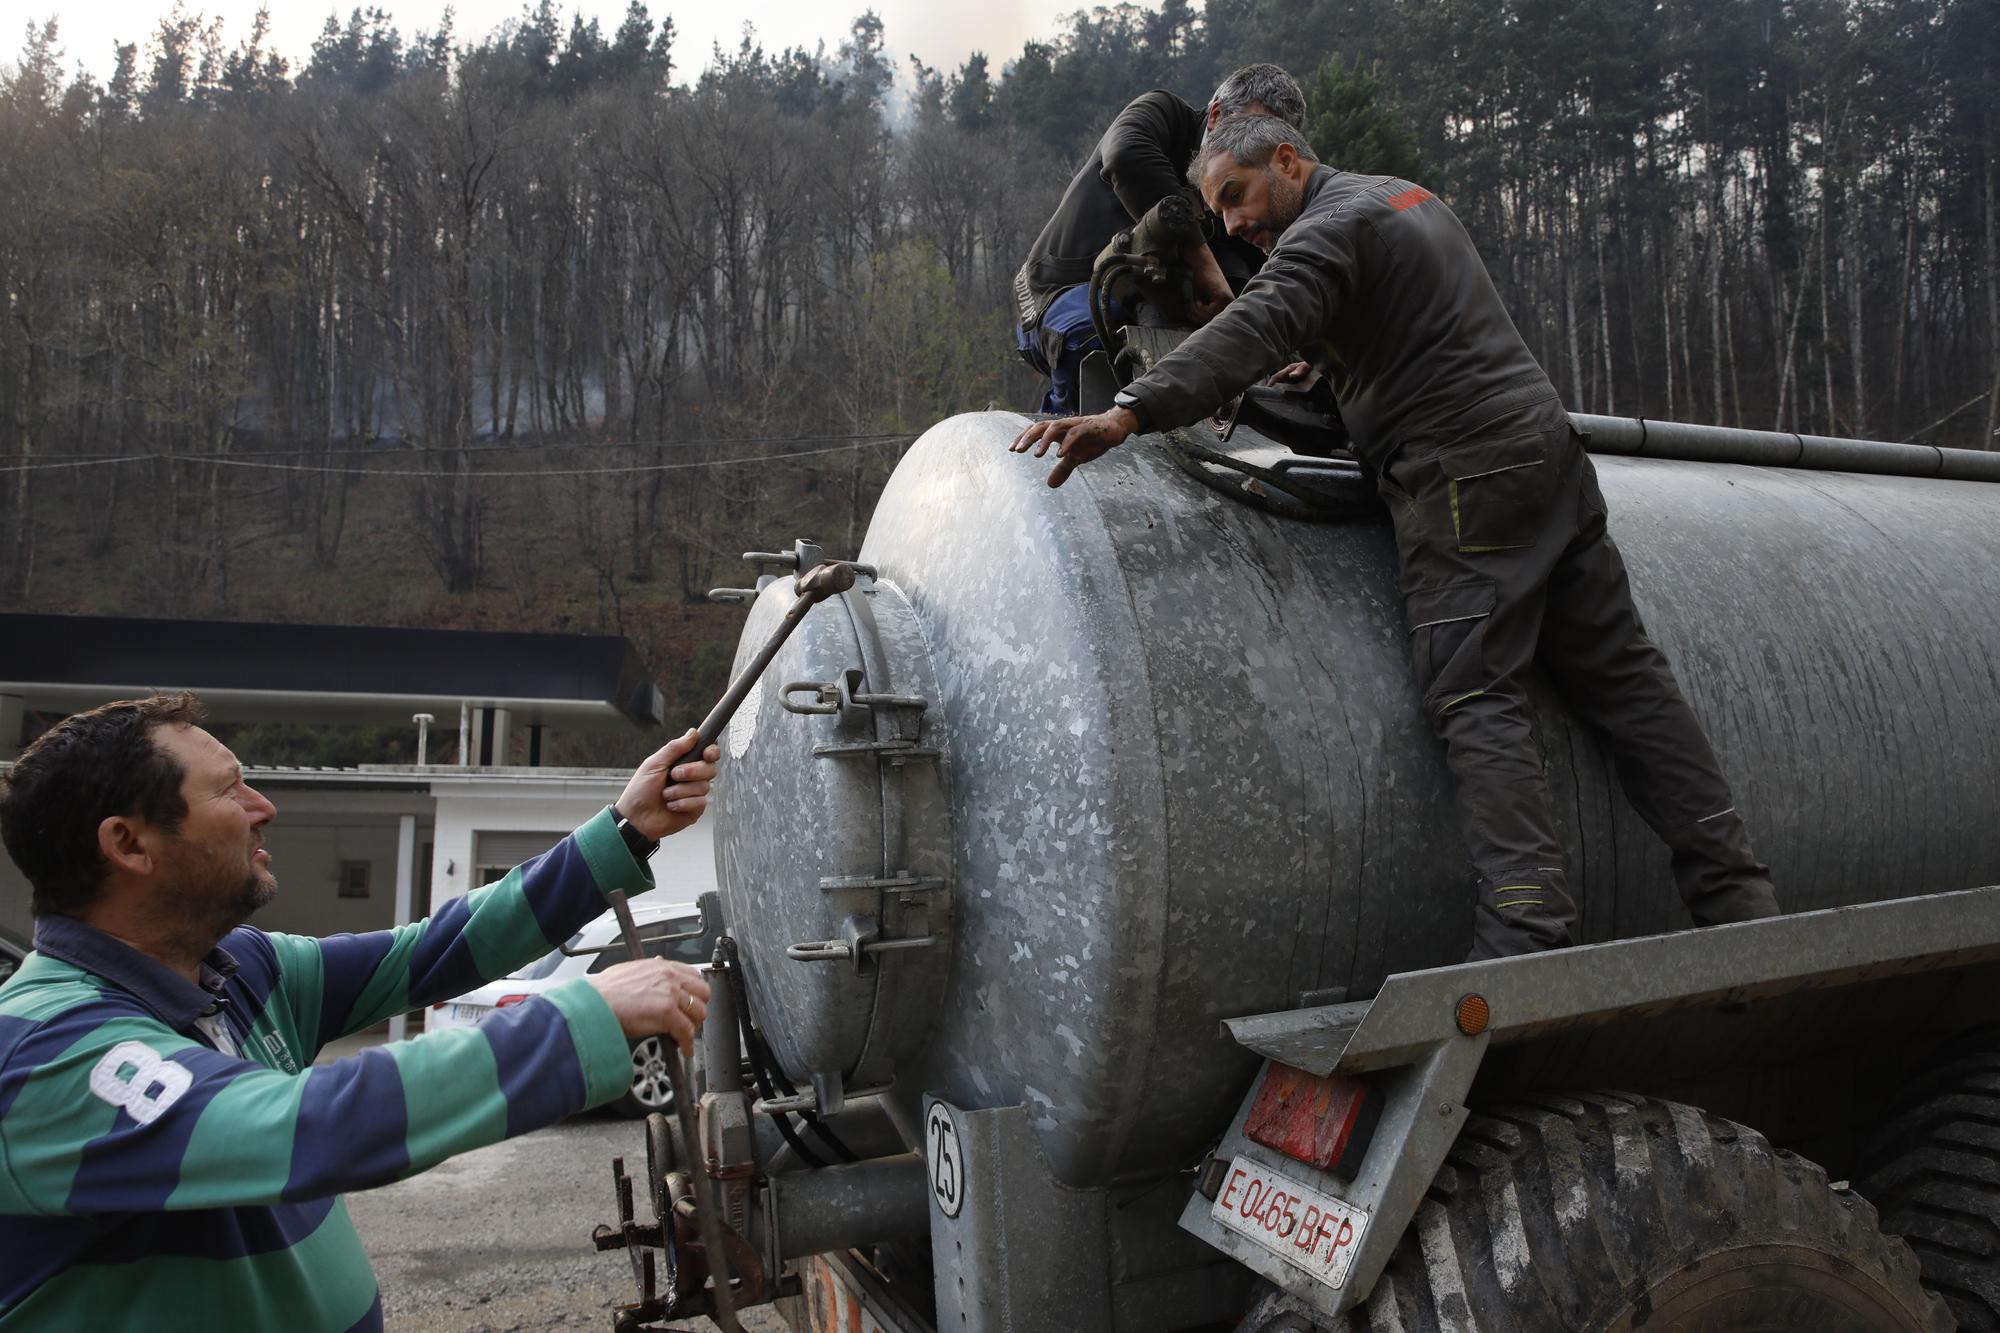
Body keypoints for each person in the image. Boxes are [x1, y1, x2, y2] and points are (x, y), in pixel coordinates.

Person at [1010, 115, 1781, 958]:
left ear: (1288, 159)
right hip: (1548, 456)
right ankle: (1737, 895)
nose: (1229, 224)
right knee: (1627, 682)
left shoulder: (1327, 231)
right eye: (1215, 211)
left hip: (1465, 483)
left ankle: (1526, 934)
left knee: (1475, 695)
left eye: (1235, 196)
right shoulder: (1406, 201)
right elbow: (1395, 341)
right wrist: (1324, 370)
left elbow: (1256, 324)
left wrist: (1130, 410)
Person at [0, 693, 719, 1329]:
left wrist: (625, 829)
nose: (262, 807)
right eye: (230, 789)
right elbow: (305, 1129)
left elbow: (433, 952)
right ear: (128, 843)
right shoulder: (45, 1049)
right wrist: (577, 1016)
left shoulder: (239, 967)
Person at [1013, 63, 1306, 414]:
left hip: (1158, 313)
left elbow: (1276, 278)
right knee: (1092, 338)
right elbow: (1127, 156)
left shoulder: (1251, 200)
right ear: (1215, 116)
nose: (1253, 151)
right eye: (1247, 130)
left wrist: (1305, 352)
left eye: (1267, 143)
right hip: (1058, 293)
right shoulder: (1162, 114)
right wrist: (1206, 268)